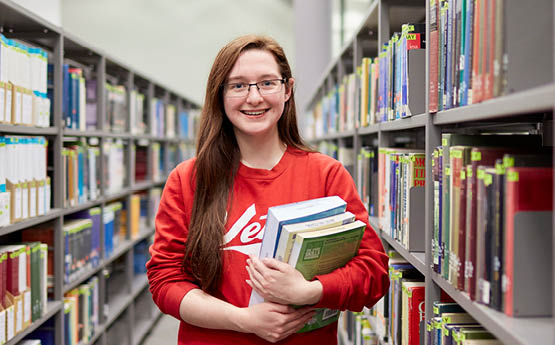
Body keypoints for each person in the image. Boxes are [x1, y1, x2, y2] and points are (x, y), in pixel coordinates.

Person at [146, 34, 390, 345]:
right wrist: (243, 320)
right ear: (219, 95)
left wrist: (310, 291)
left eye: (267, 83)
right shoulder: (188, 179)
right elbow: (164, 281)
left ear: (287, 90)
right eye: (238, 85)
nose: (254, 97)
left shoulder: (326, 174)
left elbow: (373, 272)